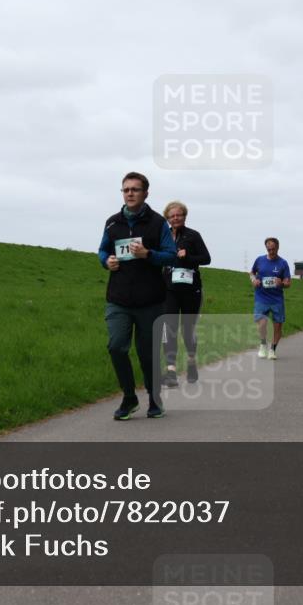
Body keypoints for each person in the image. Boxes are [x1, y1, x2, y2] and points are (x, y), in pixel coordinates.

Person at [98, 172, 177, 420]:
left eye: (135, 189)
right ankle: (129, 397)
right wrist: (106, 261)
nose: (129, 193)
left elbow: (171, 255)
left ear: (145, 193)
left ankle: (154, 398)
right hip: (118, 299)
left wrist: (147, 254)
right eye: (125, 190)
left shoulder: (157, 223)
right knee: (116, 347)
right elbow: (102, 249)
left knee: (147, 354)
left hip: (150, 301)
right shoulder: (112, 223)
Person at [161, 201, 212, 387]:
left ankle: (191, 362)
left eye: (179, 215)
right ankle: (171, 371)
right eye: (172, 215)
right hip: (169, 289)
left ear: (184, 216)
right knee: (169, 327)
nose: (176, 218)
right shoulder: (163, 236)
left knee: (187, 329)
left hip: (191, 290)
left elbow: (206, 258)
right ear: (167, 218)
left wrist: (188, 257)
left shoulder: (193, 235)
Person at [250, 238, 291, 360]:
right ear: (266, 248)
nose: (271, 251)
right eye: (269, 249)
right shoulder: (259, 260)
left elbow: (288, 282)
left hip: (277, 299)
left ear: (278, 248)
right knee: (262, 323)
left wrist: (282, 283)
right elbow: (251, 273)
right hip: (261, 297)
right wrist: (254, 280)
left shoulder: (283, 263)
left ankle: (272, 349)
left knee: (277, 326)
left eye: (273, 249)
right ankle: (263, 344)